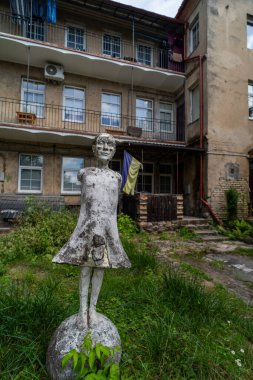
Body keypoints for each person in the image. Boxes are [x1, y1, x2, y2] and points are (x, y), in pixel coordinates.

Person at [52, 133, 131, 326]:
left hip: (105, 230)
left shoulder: (116, 177)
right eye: (101, 145)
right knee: (85, 268)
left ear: (113, 152)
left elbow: (113, 209)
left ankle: (93, 309)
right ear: (94, 149)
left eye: (109, 146)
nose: (105, 149)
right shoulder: (85, 173)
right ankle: (82, 309)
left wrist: (114, 235)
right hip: (87, 227)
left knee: (100, 268)